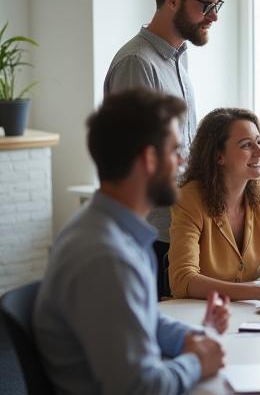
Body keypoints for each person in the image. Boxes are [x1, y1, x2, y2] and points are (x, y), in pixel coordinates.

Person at [34, 89, 229, 394]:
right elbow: (141, 388)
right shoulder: (107, 257)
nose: (183, 161)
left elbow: (143, 319)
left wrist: (189, 339)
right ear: (150, 159)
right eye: (175, 150)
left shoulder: (109, 230)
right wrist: (196, 361)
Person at [104, 0, 233, 297]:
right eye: (206, 5)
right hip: (152, 235)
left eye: (217, 5)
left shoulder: (177, 59)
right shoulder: (137, 63)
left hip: (178, 228)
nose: (214, 16)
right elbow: (137, 162)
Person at [168, 108, 260, 305]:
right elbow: (183, 280)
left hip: (246, 312)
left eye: (259, 142)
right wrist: (259, 291)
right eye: (246, 145)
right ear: (218, 156)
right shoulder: (190, 198)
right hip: (201, 313)